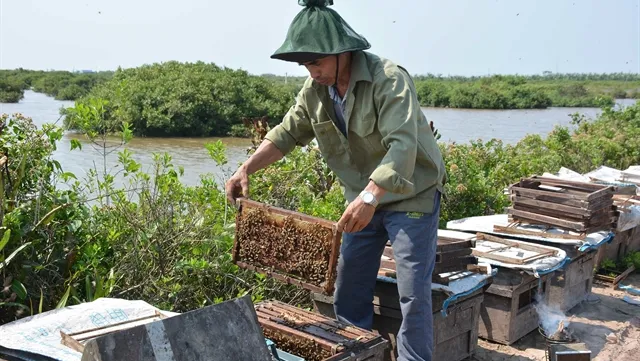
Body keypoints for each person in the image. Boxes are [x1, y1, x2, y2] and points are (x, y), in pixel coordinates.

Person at [224, 1, 447, 360]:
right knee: (349, 285)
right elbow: (286, 134)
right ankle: (357, 355)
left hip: (411, 194)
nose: (312, 72)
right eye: (305, 65)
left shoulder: (388, 79)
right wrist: (246, 168)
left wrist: (372, 197)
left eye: (317, 62)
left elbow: (403, 146)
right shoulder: (315, 92)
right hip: (363, 200)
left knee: (413, 294)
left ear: (343, 53)